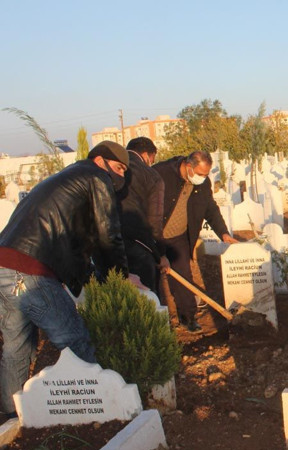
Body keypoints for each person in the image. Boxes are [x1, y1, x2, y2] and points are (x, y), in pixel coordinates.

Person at [0, 141, 143, 420]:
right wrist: (120, 276)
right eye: (118, 168)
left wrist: (90, 277)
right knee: (75, 339)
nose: (120, 176)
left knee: (16, 347)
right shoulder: (96, 177)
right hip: (30, 271)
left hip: (4, 264)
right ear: (100, 161)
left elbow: (74, 244)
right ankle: (97, 414)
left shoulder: (66, 179)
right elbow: (107, 233)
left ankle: (10, 418)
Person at [154, 151, 237, 332]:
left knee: (184, 278)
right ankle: (158, 323)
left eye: (206, 174)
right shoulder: (161, 174)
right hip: (154, 236)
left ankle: (188, 318)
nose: (203, 178)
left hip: (179, 237)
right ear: (188, 166)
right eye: (200, 174)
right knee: (154, 281)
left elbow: (210, 209)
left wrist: (223, 233)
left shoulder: (202, 183)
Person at [119, 137, 165, 293]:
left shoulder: (110, 169)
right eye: (152, 159)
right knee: (146, 295)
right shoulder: (152, 176)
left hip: (109, 246)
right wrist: (160, 254)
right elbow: (155, 220)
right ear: (146, 155)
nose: (151, 163)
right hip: (138, 245)